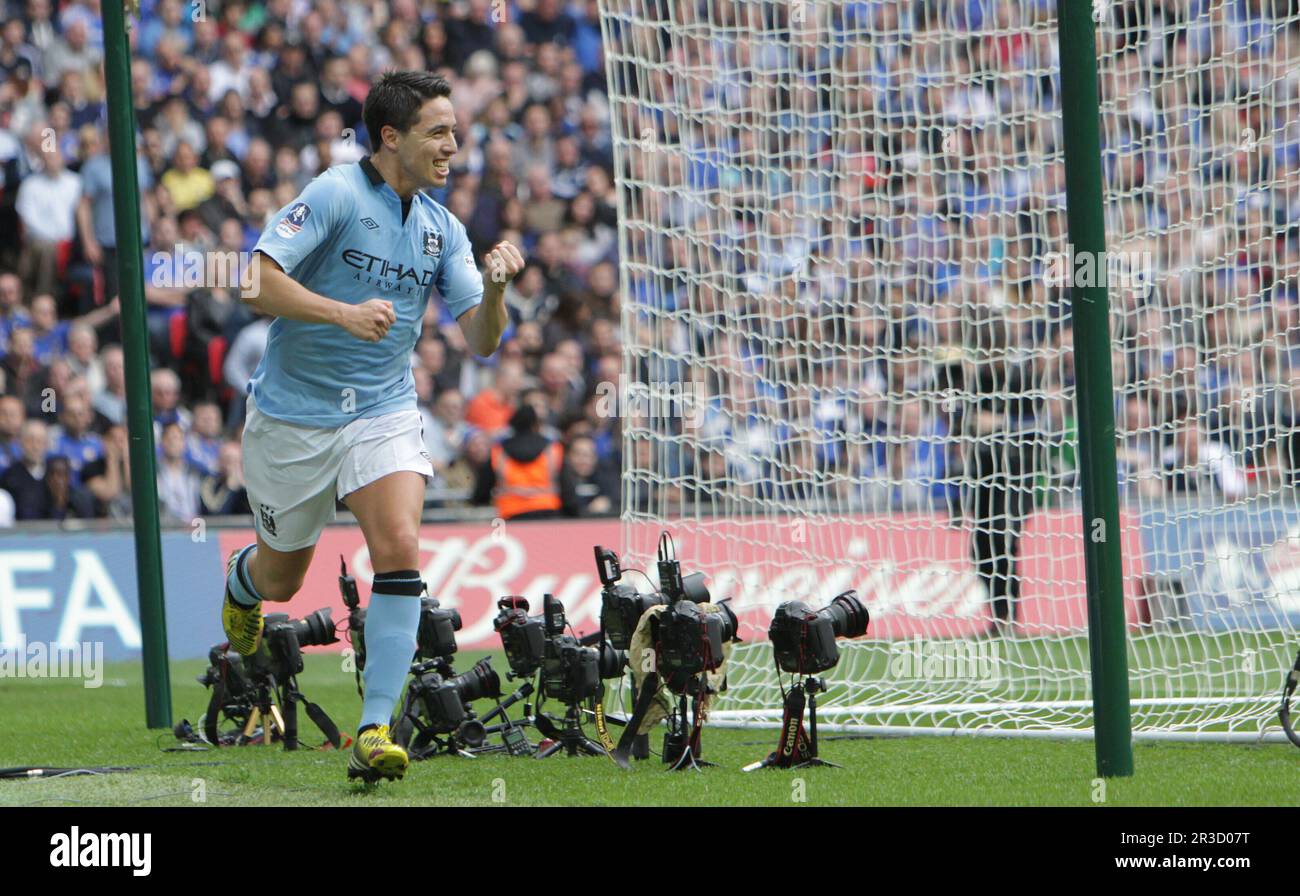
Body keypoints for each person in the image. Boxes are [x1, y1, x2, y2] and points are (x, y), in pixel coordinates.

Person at [220, 72, 522, 784]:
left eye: (455, 131)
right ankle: (241, 585)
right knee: (282, 578)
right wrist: (341, 312)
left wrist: (499, 289)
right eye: (438, 132)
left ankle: (374, 726)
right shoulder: (334, 193)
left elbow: (480, 338)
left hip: (383, 409)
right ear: (391, 137)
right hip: (293, 416)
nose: (453, 145)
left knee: (399, 547)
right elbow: (254, 282)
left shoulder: (443, 228)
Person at [473, 403, 563, 520]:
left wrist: (478, 501)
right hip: (547, 511)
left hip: (511, 513)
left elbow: (483, 488)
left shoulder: (499, 452)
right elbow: (566, 486)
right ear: (535, 424)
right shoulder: (552, 449)